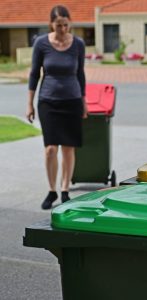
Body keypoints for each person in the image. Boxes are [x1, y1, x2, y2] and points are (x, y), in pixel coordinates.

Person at [26, 5, 88, 209]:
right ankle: (52, 190)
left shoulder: (78, 44)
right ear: (51, 24)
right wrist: (30, 103)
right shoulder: (41, 43)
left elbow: (80, 74)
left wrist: (83, 101)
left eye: (65, 25)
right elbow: (35, 74)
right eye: (58, 25)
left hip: (72, 100)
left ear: (70, 23)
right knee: (51, 149)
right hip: (48, 101)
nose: (62, 29)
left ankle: (65, 190)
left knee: (68, 149)